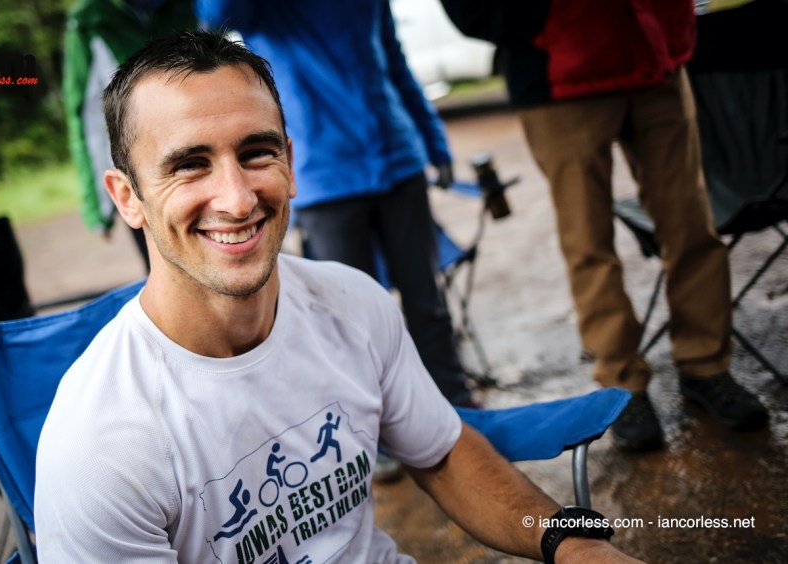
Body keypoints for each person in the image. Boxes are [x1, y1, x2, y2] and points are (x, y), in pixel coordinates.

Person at [33, 30, 640, 563]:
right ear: (127, 197)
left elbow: (442, 452)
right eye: (190, 164)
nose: (238, 199)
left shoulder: (352, 303)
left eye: (257, 153)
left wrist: (574, 543)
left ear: (291, 163)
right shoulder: (99, 447)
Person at [439, 0, 769, 451]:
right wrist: (546, 23)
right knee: (588, 244)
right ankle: (621, 384)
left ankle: (706, 366)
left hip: (656, 57)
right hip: (561, 74)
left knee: (692, 228)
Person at [195, 0, 475, 408]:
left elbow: (395, 62)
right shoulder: (267, 10)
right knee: (348, 317)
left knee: (427, 302)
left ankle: (457, 407)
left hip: (399, 161)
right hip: (326, 179)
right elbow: (216, 15)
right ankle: (373, 420)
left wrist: (434, 141)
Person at [63, 0, 195, 272]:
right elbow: (87, 117)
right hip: (143, 175)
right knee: (169, 271)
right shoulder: (90, 21)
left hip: (204, 151)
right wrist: (98, 206)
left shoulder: (191, 8)